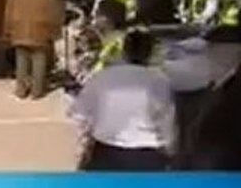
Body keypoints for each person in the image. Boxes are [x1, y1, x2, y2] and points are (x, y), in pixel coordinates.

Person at [69, 29, 175, 171]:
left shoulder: (102, 77)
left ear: (124, 51)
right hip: (148, 155)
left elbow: (78, 114)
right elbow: (167, 121)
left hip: (105, 152)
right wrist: (171, 149)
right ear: (150, 53)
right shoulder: (160, 81)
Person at [174, 26, 241, 170]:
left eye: (215, 49)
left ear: (236, 53)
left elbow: (234, 140)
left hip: (228, 175)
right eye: (210, 49)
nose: (210, 55)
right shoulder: (217, 82)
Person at [3, 0, 64, 100]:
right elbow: (54, 15)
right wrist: (55, 33)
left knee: (21, 58)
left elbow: (8, 10)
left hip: (19, 28)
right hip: (40, 30)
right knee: (39, 58)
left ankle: (21, 89)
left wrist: (7, 28)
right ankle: (37, 91)